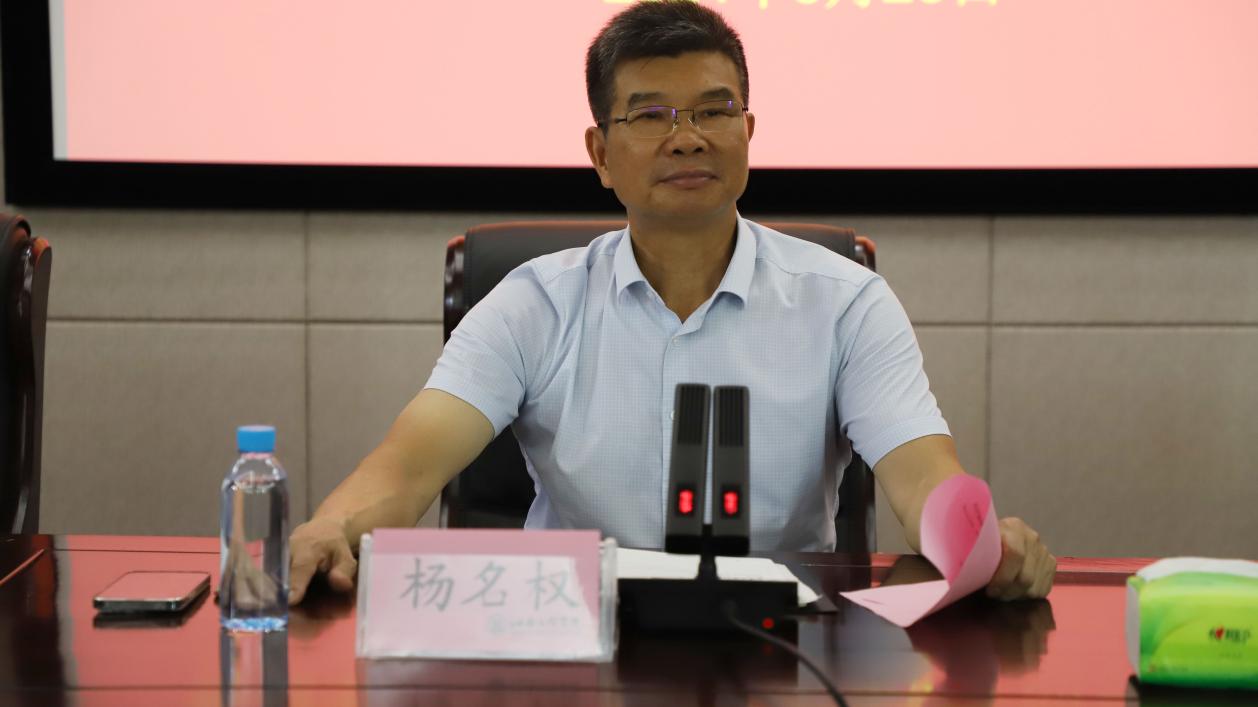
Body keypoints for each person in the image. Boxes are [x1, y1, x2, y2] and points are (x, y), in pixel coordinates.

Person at [288, 0, 1055, 606]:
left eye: (713, 111)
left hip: (782, 649)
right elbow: (407, 466)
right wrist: (333, 527)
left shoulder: (846, 302)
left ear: (748, 131)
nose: (687, 139)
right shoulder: (534, 304)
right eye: (651, 116)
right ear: (600, 154)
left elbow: (921, 475)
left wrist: (975, 538)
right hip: (574, 643)